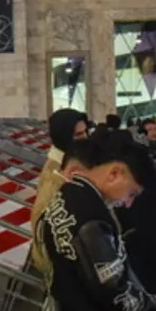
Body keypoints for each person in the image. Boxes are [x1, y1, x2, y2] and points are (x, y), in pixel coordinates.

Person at [36, 130, 156, 311]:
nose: (128, 203)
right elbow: (114, 293)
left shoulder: (67, 192)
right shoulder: (91, 218)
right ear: (115, 173)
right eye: (132, 193)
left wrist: (147, 300)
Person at [122, 119, 156, 292]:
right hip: (151, 213)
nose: (153, 132)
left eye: (155, 129)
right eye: (150, 130)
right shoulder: (140, 157)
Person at [29, 109, 89, 273]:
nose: (85, 138)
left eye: (85, 132)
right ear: (64, 137)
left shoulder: (71, 161)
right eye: (78, 135)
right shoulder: (55, 175)